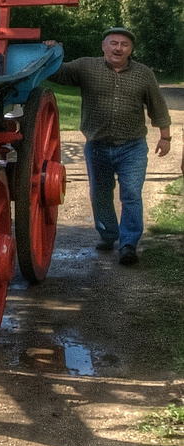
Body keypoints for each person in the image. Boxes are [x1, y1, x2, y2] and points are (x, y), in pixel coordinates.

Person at [49, 27, 171, 266]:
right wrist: (52, 52)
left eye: (124, 44)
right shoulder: (86, 67)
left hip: (132, 147)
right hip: (97, 146)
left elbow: (158, 105)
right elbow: (57, 73)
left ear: (130, 49)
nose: (118, 48)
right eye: (113, 43)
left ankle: (128, 244)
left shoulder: (143, 74)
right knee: (101, 194)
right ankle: (108, 234)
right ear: (103, 46)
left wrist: (165, 137)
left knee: (132, 195)